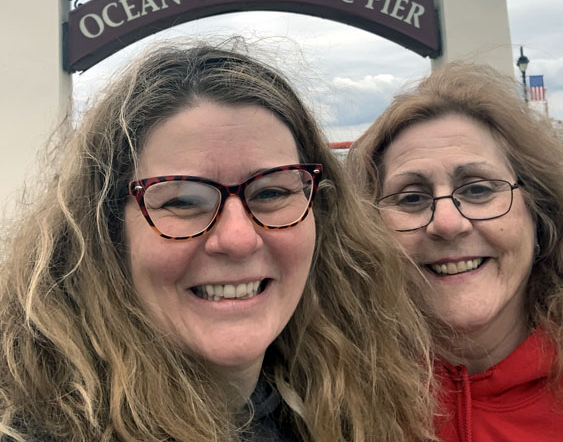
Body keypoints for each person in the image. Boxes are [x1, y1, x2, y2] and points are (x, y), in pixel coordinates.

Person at [0, 42, 435, 442]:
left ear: (322, 214)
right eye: (184, 201)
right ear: (106, 233)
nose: (238, 239)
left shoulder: (355, 402)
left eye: (271, 193)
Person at [349, 62, 563, 442]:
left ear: (539, 211)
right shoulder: (331, 396)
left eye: (479, 189)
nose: (448, 224)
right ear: (369, 230)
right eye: (412, 198)